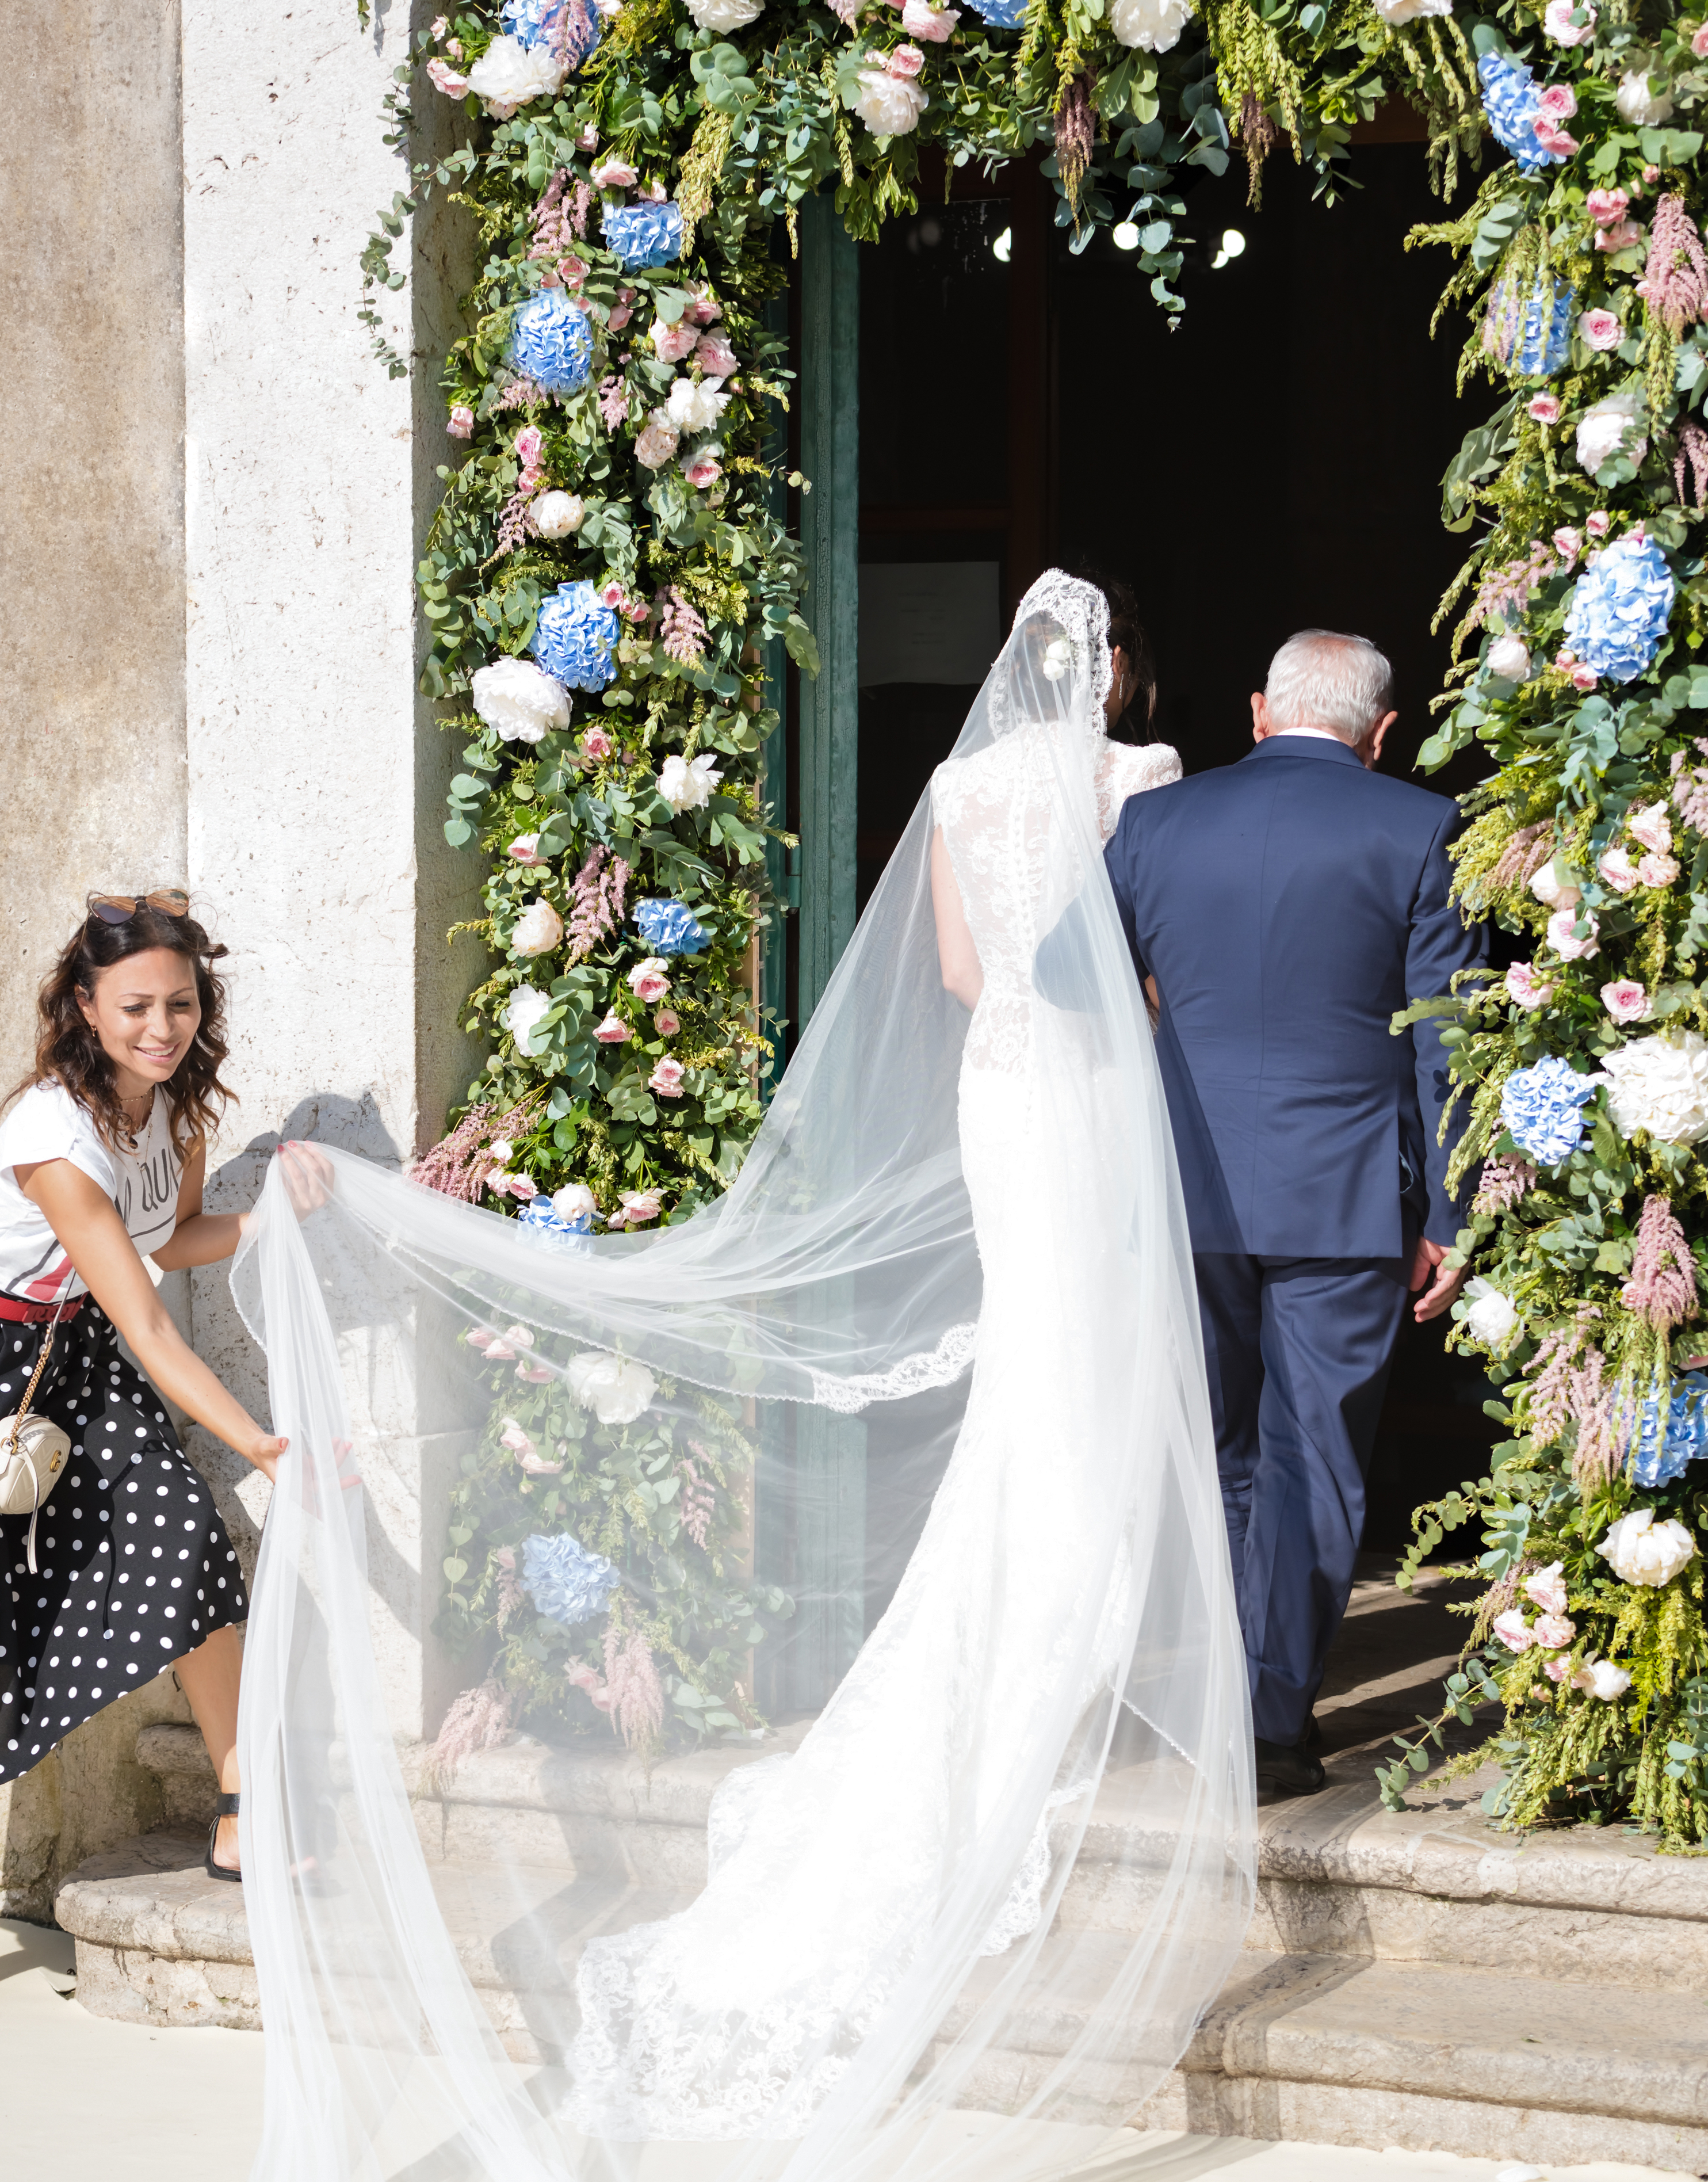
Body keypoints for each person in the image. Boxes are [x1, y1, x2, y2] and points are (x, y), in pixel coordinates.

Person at [230, 570, 1256, 2179]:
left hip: (1005, 1094)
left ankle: (1027, 1628)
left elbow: (967, 980)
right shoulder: (1142, 779)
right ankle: (1076, 1636)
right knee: (1093, 1360)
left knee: (1042, 1365)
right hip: (1084, 1093)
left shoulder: (961, 786)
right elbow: (1141, 973)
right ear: (1115, 675)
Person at [1103, 630, 1488, 1796]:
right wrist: (1459, 1211)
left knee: (1213, 1449)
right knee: (1312, 1456)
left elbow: (1093, 1002)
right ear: (1384, 733)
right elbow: (1451, 1040)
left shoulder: (1156, 828)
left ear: (1261, 712)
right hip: (1346, 1196)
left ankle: (1217, 1695)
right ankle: (1272, 1720)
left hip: (1182, 1186)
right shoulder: (1422, 827)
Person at [0, 892, 289, 2023]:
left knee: (191, 1546)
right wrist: (257, 1440)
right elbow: (152, 1324)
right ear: (86, 1008)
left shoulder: (177, 1108)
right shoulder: (52, 1136)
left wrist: (272, 1214)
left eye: (181, 1003)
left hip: (77, 1358)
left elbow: (167, 1241)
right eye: (137, 1007)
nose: (161, 1026)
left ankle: (246, 1804)